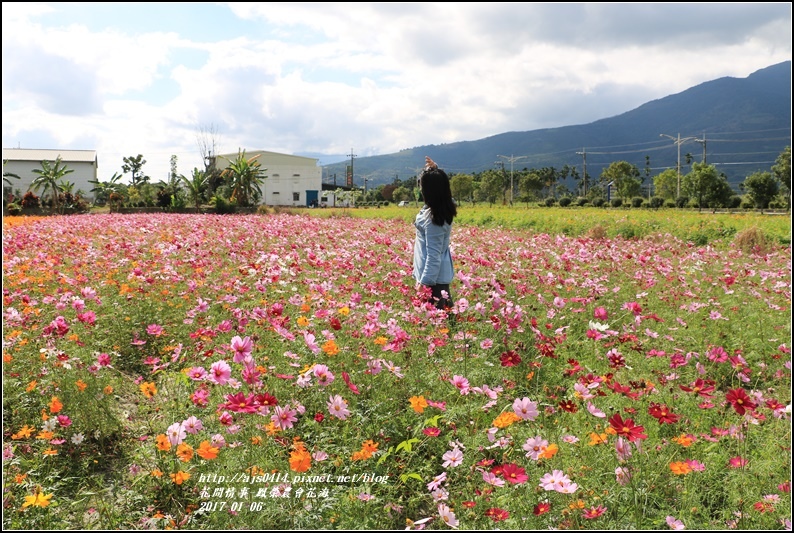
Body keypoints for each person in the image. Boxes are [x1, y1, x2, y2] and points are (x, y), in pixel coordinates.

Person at [413, 156, 457, 311]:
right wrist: (435, 171)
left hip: (434, 282)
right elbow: (445, 194)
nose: (420, 189)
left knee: (438, 320)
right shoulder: (441, 207)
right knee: (443, 320)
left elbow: (433, 256)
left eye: (422, 186)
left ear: (429, 191)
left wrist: (424, 284)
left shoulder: (434, 219)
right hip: (434, 277)